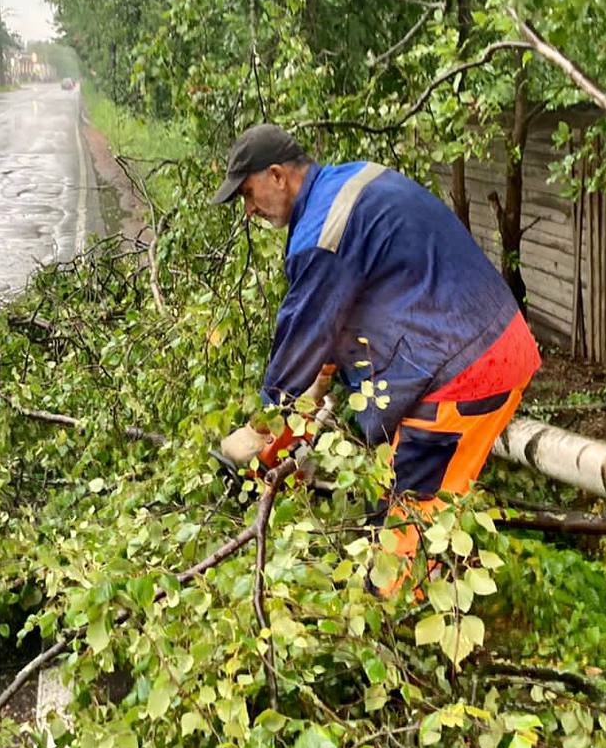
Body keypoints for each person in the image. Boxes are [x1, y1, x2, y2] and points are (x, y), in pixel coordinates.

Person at [214, 124, 540, 589]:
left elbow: (305, 329)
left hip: (466, 372)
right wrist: (323, 383)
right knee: (384, 495)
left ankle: (397, 638)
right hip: (471, 342)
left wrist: (262, 424)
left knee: (403, 536)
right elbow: (365, 293)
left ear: (277, 175)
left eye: (248, 193)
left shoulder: (322, 233)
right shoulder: (348, 182)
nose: (249, 210)